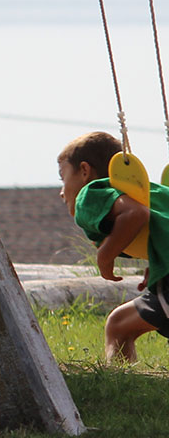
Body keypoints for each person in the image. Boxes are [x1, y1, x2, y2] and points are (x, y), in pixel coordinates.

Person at [58, 131, 169, 362]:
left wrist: (104, 257)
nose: (61, 192)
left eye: (63, 177)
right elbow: (158, 225)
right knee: (119, 323)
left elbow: (136, 214)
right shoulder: (150, 191)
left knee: (118, 327)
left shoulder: (89, 194)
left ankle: (126, 390)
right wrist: (157, 260)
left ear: (85, 171)